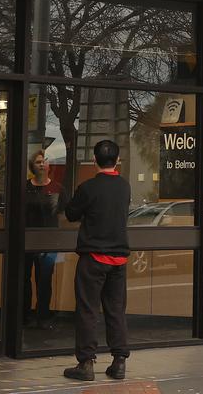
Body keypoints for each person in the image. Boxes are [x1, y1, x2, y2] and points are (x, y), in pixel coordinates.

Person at [62, 140, 130, 382]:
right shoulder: (124, 187)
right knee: (115, 310)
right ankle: (119, 361)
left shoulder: (88, 188)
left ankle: (86, 363)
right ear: (117, 161)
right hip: (119, 260)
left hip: (93, 258)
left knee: (88, 309)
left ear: (94, 160)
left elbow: (71, 214)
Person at [24, 150, 61, 329]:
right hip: (26, 241)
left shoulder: (56, 188)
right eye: (38, 161)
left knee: (44, 280)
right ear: (32, 166)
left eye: (44, 161)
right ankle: (24, 315)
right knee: (23, 280)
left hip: (48, 242)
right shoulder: (24, 187)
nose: (41, 163)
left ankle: (43, 317)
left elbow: (66, 213)